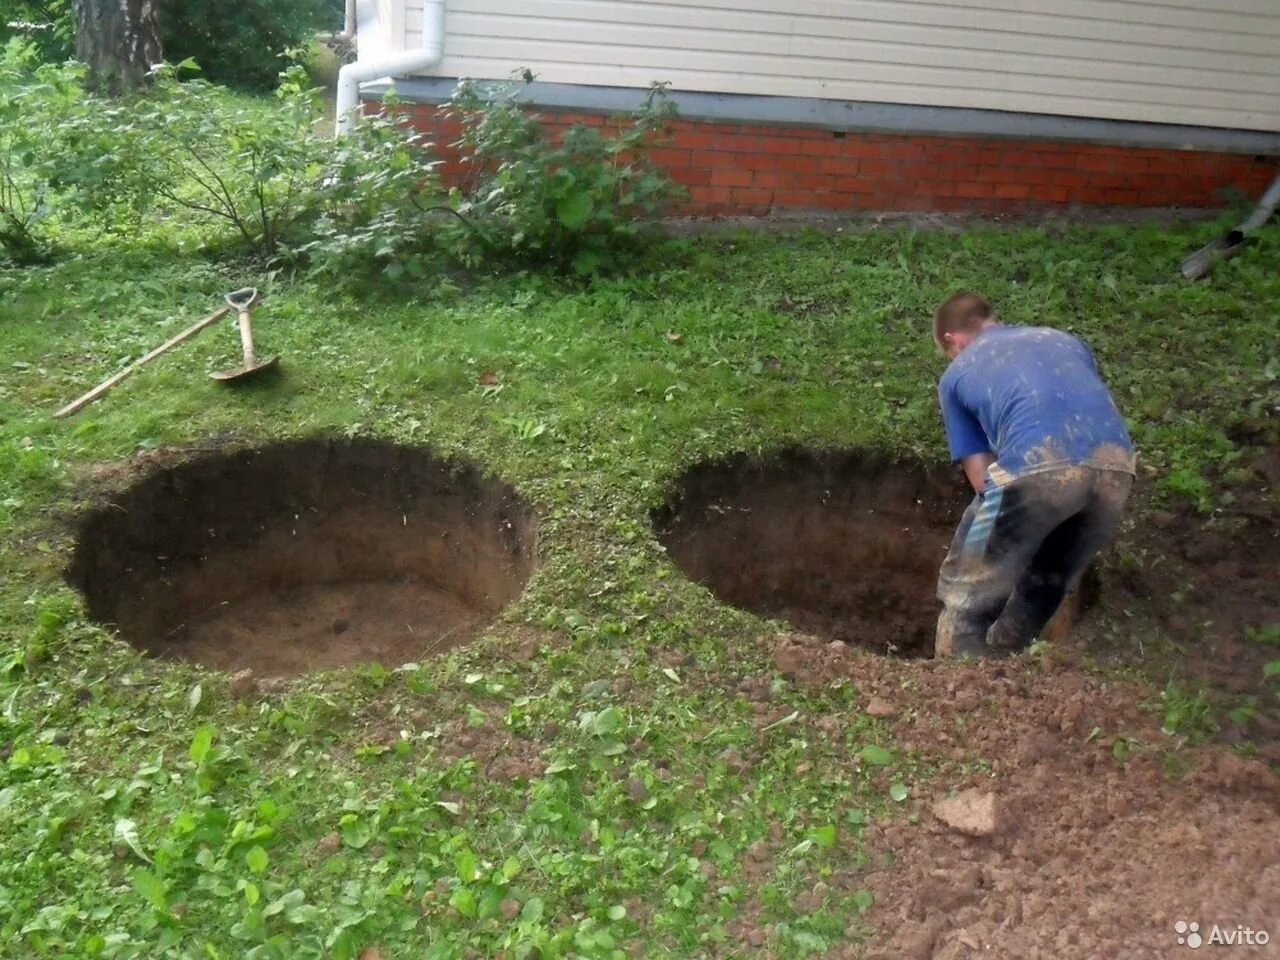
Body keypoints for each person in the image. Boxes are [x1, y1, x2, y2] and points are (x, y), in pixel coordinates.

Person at [931, 292, 1136, 659]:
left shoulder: (957, 374)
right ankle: (1003, 663)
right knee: (1048, 580)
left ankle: (950, 676)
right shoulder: (1065, 341)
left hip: (1037, 463)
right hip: (1117, 467)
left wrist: (1008, 534)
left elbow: (982, 478)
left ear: (953, 339)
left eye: (950, 352)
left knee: (967, 587)